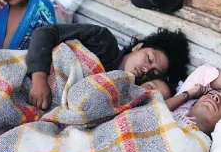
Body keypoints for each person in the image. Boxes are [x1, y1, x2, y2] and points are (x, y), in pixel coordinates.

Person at [26, 24, 189, 110]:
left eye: (154, 72)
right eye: (149, 59)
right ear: (138, 47)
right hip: (30, 80)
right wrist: (39, 78)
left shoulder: (124, 93)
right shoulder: (102, 40)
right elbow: (45, 33)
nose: (146, 69)